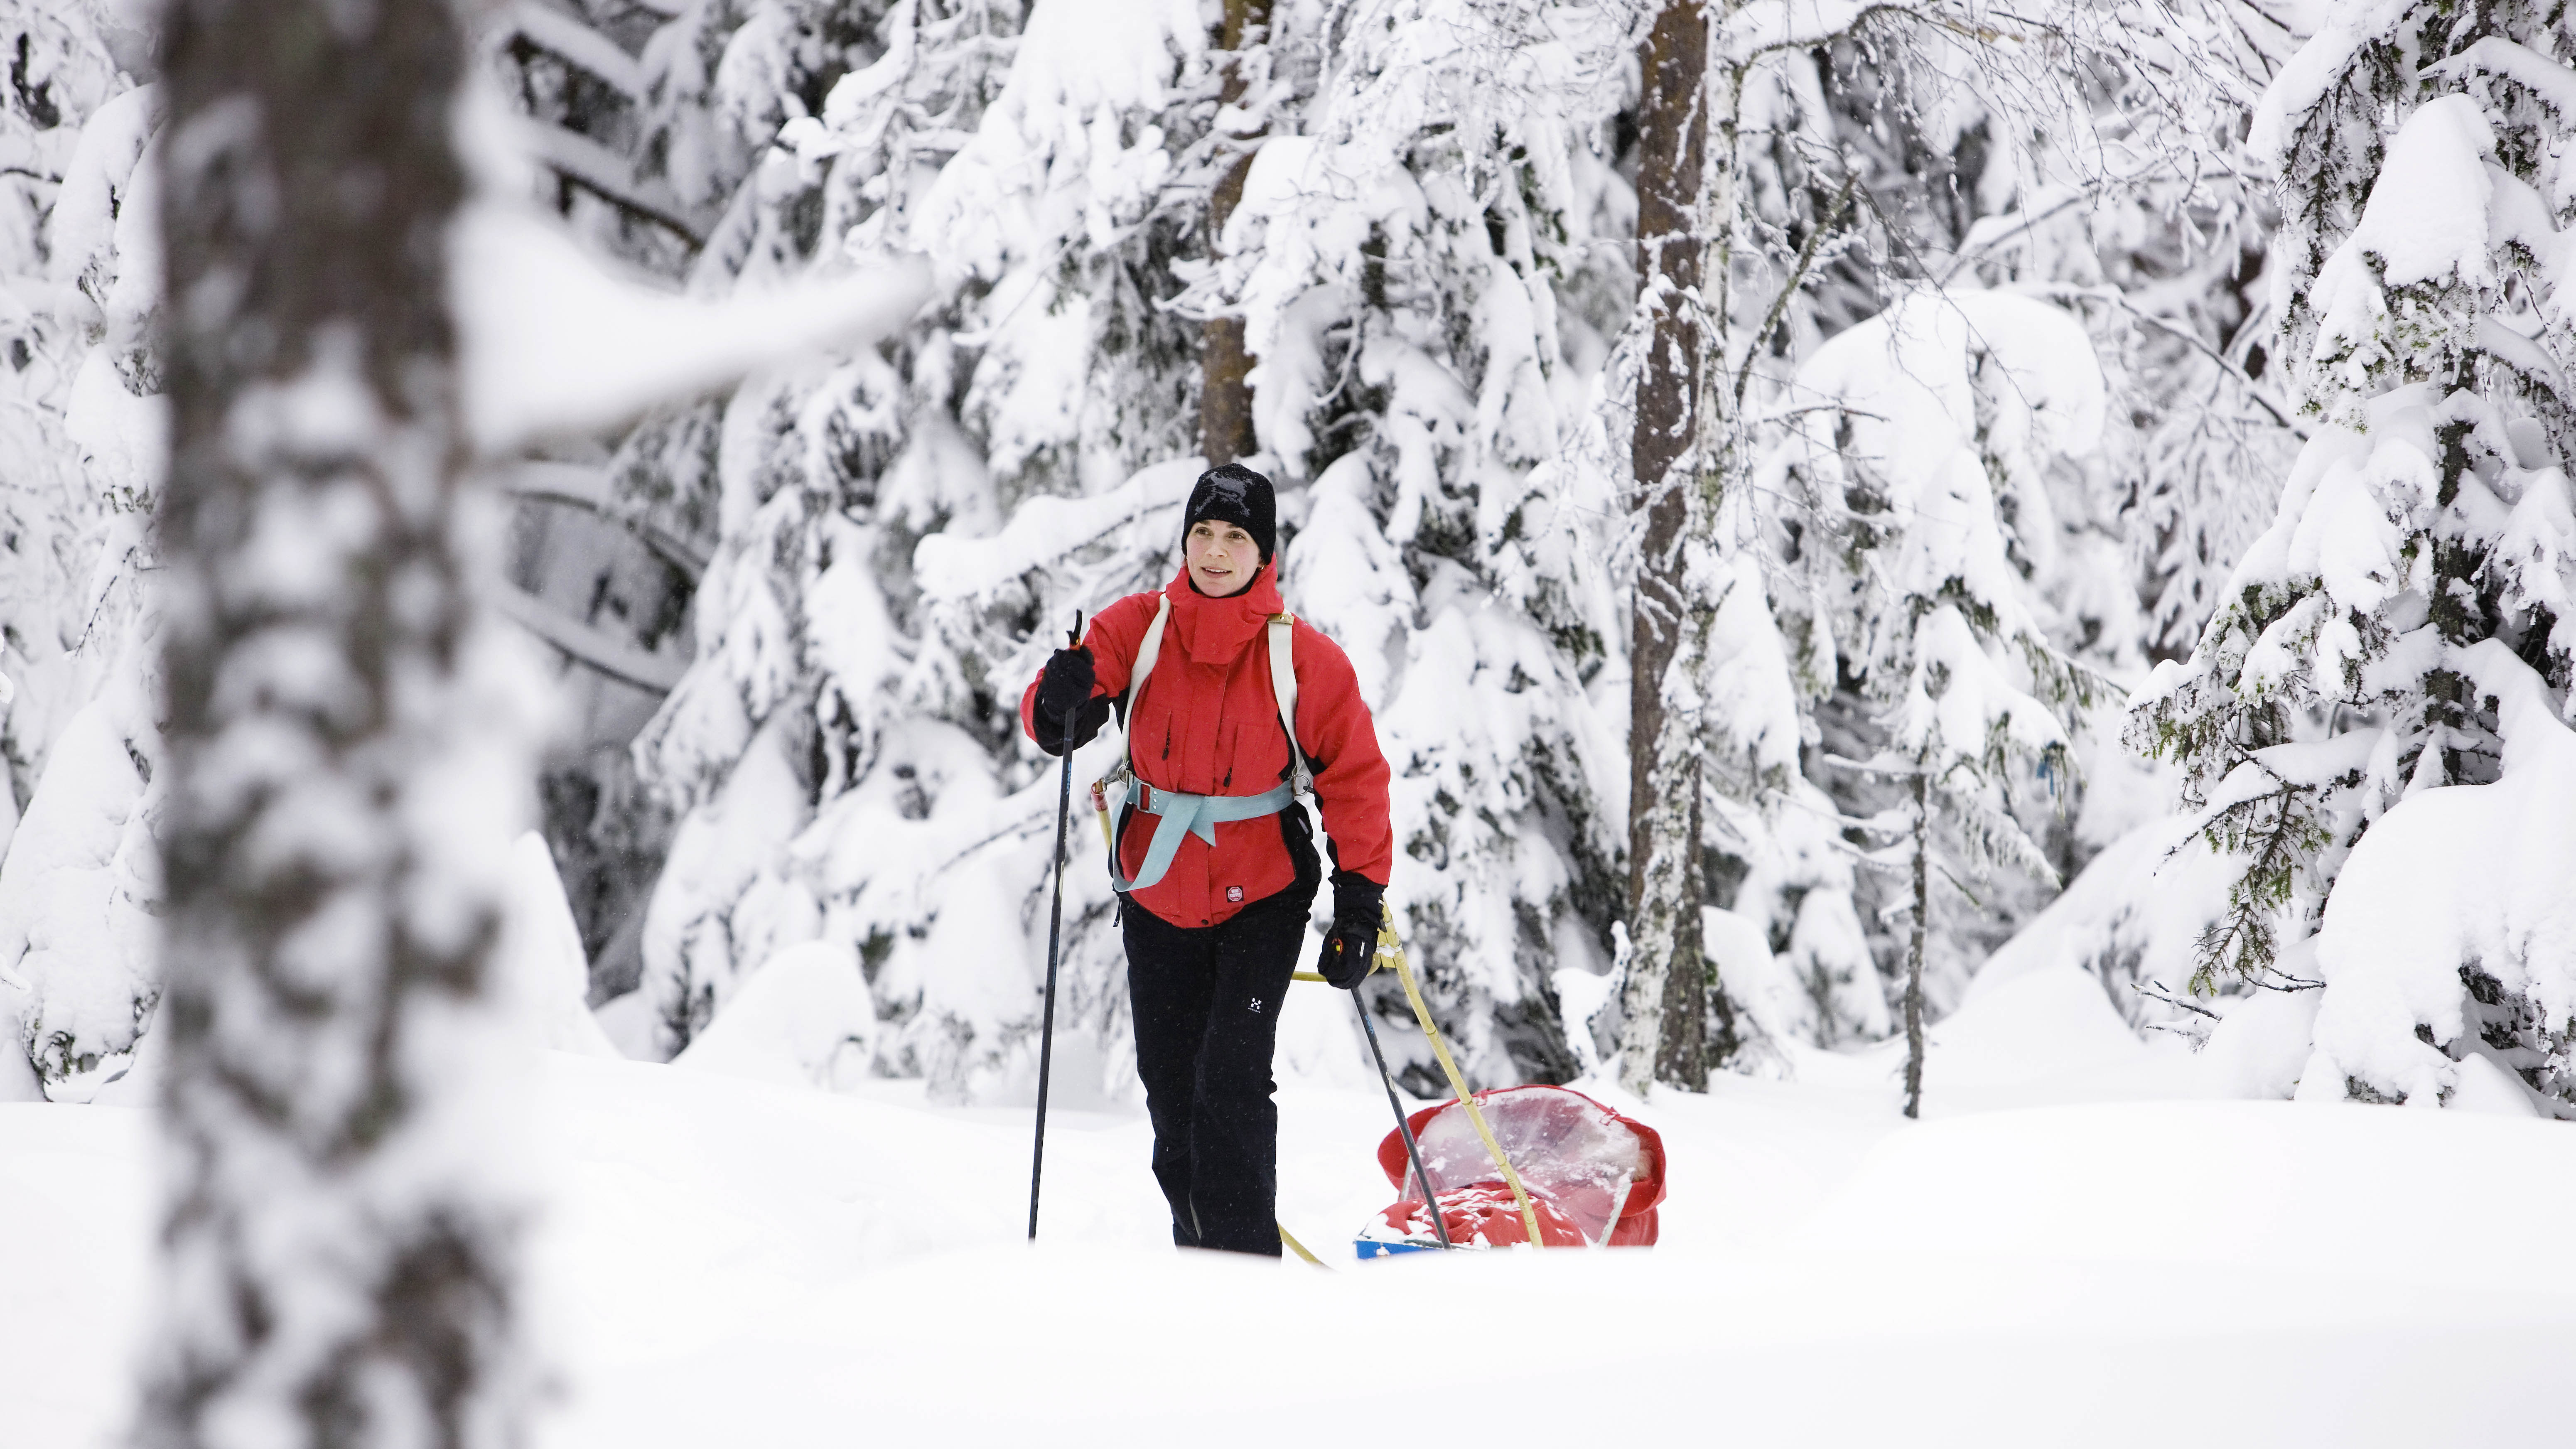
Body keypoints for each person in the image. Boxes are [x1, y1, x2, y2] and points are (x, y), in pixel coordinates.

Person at [1020, 463, 1392, 1257]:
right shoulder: (1138, 627)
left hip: (1264, 893)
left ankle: (1243, 1273)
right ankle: (1199, 1261)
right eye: (1202, 533)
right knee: (1170, 1088)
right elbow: (1061, 720)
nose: (1215, 552)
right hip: (1157, 891)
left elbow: (1355, 779)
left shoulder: (1304, 658)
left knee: (1231, 1079)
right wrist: (1059, 697)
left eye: (1234, 538)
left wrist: (1360, 904)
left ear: (1265, 554)